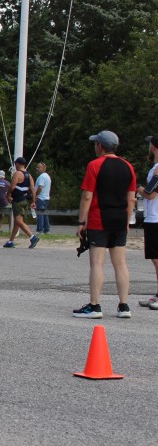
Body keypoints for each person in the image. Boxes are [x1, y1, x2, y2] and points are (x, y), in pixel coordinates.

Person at [73, 130, 136, 318]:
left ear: (100, 146)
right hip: (120, 219)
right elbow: (131, 198)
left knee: (97, 263)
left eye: (95, 144)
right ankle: (124, 306)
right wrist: (127, 220)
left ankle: (94, 306)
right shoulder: (128, 166)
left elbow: (87, 196)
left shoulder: (94, 165)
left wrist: (81, 221)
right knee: (120, 263)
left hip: (99, 219)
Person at [137, 135, 158, 310]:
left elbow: (150, 193)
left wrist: (136, 187)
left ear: (154, 147)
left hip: (156, 217)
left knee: (157, 258)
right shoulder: (155, 167)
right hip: (153, 216)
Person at [3, 157, 38, 248]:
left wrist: (8, 194)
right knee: (17, 222)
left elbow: (12, 186)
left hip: (17, 200)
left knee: (18, 221)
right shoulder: (29, 175)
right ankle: (11, 241)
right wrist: (33, 201)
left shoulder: (17, 174)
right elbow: (33, 189)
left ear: (17, 164)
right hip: (25, 200)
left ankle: (32, 236)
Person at [34, 162, 52, 233]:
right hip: (46, 197)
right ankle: (46, 229)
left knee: (40, 214)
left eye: (39, 167)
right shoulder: (47, 176)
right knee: (44, 214)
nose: (37, 169)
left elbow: (40, 187)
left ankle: (40, 229)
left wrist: (35, 195)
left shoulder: (41, 177)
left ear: (43, 168)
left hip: (41, 198)